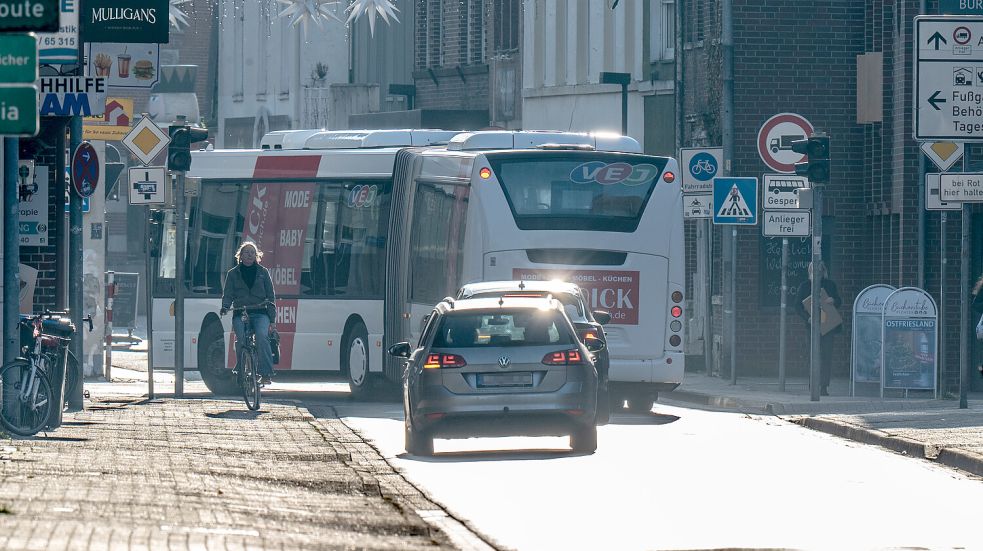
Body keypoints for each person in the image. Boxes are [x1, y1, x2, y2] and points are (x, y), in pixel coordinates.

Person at [221, 241, 277, 385]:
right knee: (241, 339)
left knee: (262, 336)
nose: (250, 255)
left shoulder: (263, 272)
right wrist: (225, 307)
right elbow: (228, 294)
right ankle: (240, 369)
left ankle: (265, 373)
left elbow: (271, 297)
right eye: (247, 252)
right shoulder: (232, 274)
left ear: (257, 255)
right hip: (241, 312)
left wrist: (272, 320)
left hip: (261, 312)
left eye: (253, 252)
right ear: (240, 256)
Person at [795, 261, 842, 396]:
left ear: (823, 271)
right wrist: (807, 318)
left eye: (820, 270)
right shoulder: (805, 286)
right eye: (814, 270)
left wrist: (833, 300)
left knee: (826, 355)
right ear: (810, 271)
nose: (817, 273)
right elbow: (797, 306)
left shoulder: (830, 285)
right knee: (813, 355)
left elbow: (839, 301)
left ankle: (824, 386)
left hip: (828, 324)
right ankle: (813, 384)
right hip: (812, 326)